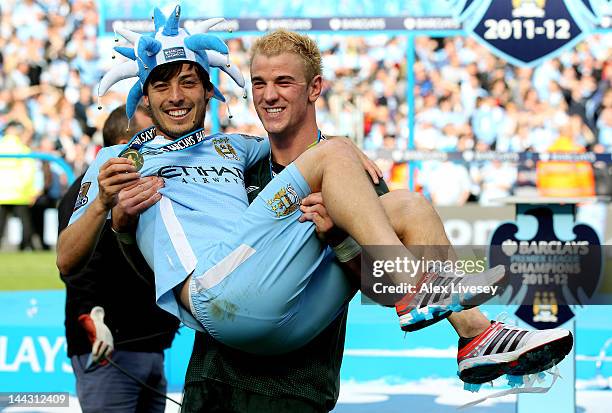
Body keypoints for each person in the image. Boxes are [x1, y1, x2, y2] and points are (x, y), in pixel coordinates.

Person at [57, 7, 571, 406]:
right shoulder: (119, 157)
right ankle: (418, 287)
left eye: (188, 81)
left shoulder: (237, 149)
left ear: (208, 91)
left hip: (290, 333)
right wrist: (105, 206)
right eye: (162, 84)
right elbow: (65, 259)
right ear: (143, 94)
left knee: (409, 205)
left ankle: (474, 336)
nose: (175, 95)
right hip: (218, 301)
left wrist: (342, 169)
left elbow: (308, 146)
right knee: (338, 163)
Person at [57, 104, 180, 413]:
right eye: (147, 139)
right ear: (122, 148)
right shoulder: (85, 196)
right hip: (109, 351)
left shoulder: (145, 187)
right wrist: (90, 318)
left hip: (151, 345)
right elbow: (77, 267)